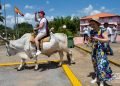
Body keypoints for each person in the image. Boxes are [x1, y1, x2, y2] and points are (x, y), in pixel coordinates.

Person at [89, 18, 113, 86]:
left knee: (101, 66)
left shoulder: (103, 30)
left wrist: (98, 39)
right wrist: (90, 40)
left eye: (93, 24)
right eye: (91, 24)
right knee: (95, 65)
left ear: (97, 23)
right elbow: (92, 40)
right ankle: (97, 78)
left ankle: (102, 81)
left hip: (101, 50)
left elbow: (107, 40)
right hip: (94, 50)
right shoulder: (92, 31)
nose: (92, 25)